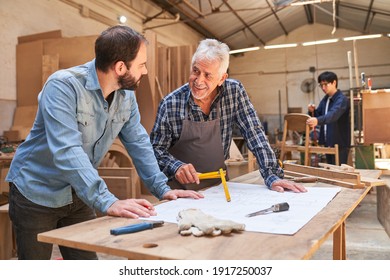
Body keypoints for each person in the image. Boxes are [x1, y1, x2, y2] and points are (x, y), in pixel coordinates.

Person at [6, 25, 203, 260]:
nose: (146, 71)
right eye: (141, 64)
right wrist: (107, 200)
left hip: (77, 193)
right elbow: (67, 150)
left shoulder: (125, 96)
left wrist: (162, 189)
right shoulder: (62, 87)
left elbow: (138, 141)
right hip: (36, 192)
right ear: (120, 67)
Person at [150, 38, 307, 193]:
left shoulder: (234, 92)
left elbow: (254, 133)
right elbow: (155, 149)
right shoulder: (170, 103)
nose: (198, 81)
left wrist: (272, 175)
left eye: (208, 75)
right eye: (195, 71)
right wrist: (175, 166)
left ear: (221, 79)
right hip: (178, 191)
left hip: (217, 188)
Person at [307, 71, 351, 165]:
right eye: (321, 85)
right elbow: (319, 113)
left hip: (339, 144)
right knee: (330, 171)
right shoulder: (326, 99)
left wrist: (317, 120)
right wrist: (312, 111)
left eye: (325, 84)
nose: (323, 88)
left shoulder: (342, 100)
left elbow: (333, 115)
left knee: (339, 173)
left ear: (334, 83)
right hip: (328, 142)